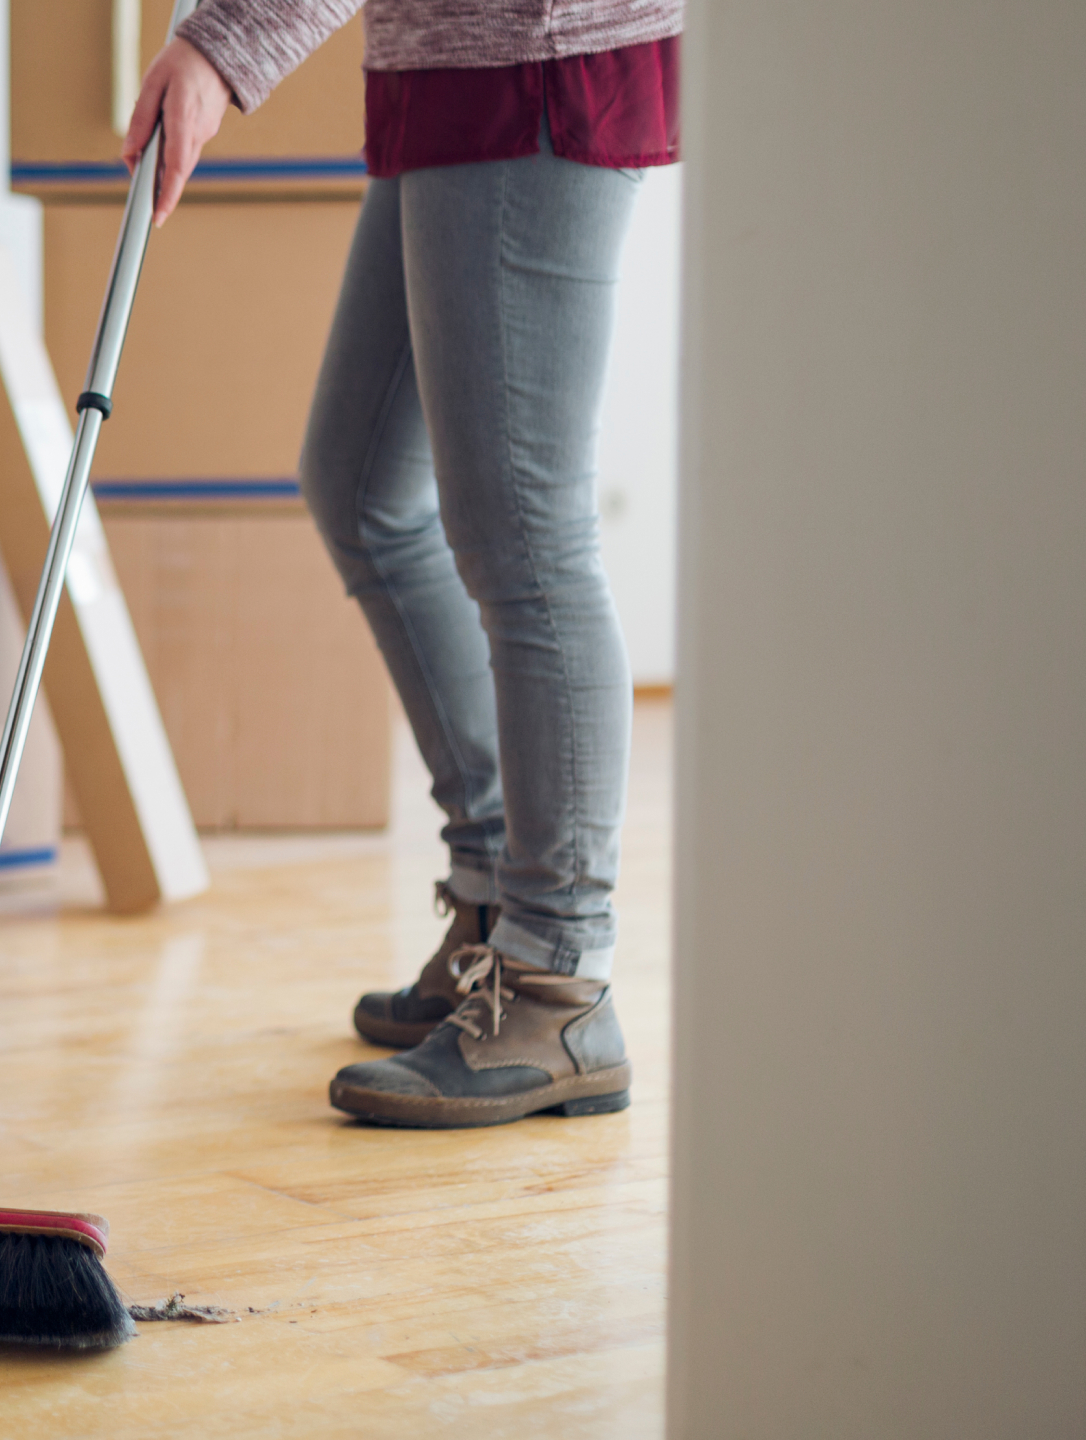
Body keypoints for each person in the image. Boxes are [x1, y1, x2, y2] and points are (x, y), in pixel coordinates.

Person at [124, 0, 681, 1128]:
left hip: (531, 56)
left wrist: (223, 43)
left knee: (524, 533)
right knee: (363, 488)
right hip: (447, 61)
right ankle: (491, 905)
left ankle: (554, 979)